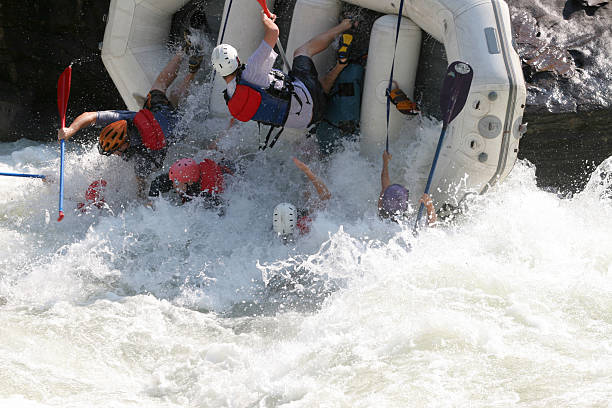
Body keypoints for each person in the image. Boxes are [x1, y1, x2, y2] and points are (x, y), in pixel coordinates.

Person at [57, 48, 204, 197]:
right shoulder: (125, 119)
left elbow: (142, 183)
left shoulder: (143, 156)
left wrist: (141, 196)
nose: (115, 154)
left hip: (177, 129)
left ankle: (192, 74)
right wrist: (71, 130)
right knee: (159, 89)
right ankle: (182, 53)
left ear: (126, 143)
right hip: (162, 115)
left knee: (174, 100)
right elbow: (89, 116)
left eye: (116, 150)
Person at [211, 11, 357, 149]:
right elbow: (273, 33)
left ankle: (340, 64)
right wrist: (266, 21)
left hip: (309, 119)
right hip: (306, 94)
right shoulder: (251, 70)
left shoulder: (230, 99)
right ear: (237, 59)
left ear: (218, 71)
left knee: (315, 88)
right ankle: (347, 24)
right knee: (302, 52)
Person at [272, 157, 331, 241]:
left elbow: (326, 198)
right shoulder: (309, 228)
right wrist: (308, 172)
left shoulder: (305, 226)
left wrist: (308, 172)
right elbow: (326, 198)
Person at [148, 157, 234, 211]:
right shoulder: (181, 175)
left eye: (177, 182)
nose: (174, 185)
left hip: (230, 173)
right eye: (173, 181)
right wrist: (153, 201)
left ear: (189, 182)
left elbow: (221, 211)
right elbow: (157, 182)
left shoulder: (207, 191)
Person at [378, 150, 436, 225]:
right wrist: (429, 206)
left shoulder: (381, 216)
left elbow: (384, 187)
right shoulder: (406, 226)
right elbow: (431, 227)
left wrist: (385, 162)